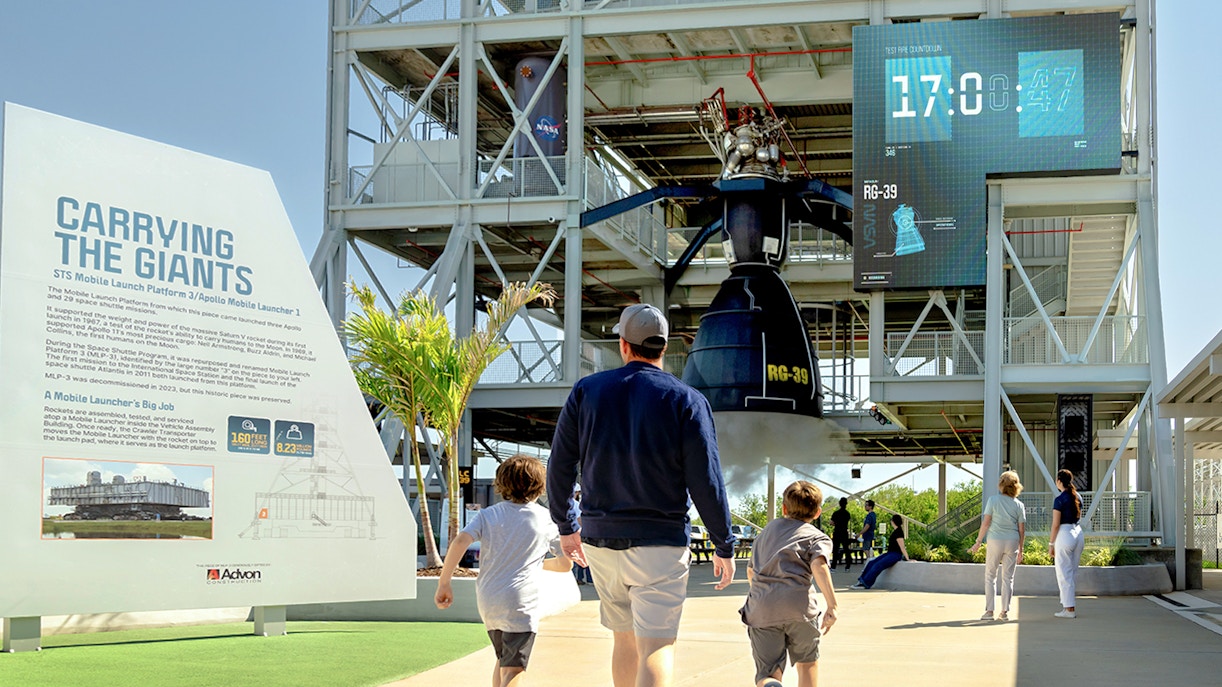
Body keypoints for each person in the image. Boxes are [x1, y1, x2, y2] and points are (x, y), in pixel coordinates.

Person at [546, 303, 736, 687]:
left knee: (624, 641)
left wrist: (567, 526)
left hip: (600, 540)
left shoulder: (587, 391)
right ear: (663, 348)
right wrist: (723, 543)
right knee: (657, 646)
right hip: (660, 544)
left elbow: (560, 463)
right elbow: (706, 480)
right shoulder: (687, 400)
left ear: (624, 345)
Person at [435, 454, 572, 687]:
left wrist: (444, 582)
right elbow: (564, 564)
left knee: (502, 661)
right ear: (540, 486)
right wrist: (536, 563)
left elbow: (460, 541)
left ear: (500, 484)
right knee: (514, 670)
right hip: (520, 602)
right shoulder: (544, 519)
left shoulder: (488, 515)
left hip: (489, 600)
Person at [739, 481, 837, 687]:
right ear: (818, 512)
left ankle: (770, 684)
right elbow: (819, 566)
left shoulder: (764, 534)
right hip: (799, 608)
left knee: (768, 670)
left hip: (762, 608)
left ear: (784, 508)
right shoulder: (816, 536)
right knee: (807, 663)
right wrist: (832, 605)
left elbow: (750, 571)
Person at [968, 471, 1027, 621]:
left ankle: (989, 612)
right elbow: (1021, 530)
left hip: (995, 540)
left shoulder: (993, 500)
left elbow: (986, 523)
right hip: (1012, 541)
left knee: (990, 576)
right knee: (1008, 578)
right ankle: (1005, 612)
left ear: (1001, 485)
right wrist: (1021, 549)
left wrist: (978, 541)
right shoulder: (1019, 505)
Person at [1050, 468, 1085, 618]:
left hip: (1064, 534)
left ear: (1059, 481)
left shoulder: (1059, 499)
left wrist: (1051, 544)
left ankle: (1069, 609)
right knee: (1071, 573)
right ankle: (1068, 606)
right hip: (1078, 533)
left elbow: (1055, 524)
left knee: (1064, 573)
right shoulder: (1077, 497)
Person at [850, 514, 909, 589]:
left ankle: (866, 583)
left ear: (893, 521)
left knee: (878, 565)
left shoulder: (899, 532)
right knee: (872, 562)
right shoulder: (895, 531)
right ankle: (861, 580)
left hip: (895, 554)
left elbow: (902, 547)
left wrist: (908, 559)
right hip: (890, 553)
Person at [828, 497, 852, 571]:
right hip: (844, 532)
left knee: (835, 549)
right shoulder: (847, 513)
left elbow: (831, 522)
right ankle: (848, 566)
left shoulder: (836, 513)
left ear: (839, 504)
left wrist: (836, 524)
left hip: (837, 532)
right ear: (846, 504)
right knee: (846, 549)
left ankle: (833, 566)